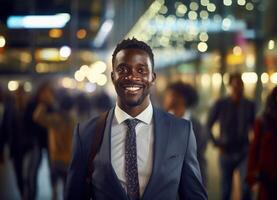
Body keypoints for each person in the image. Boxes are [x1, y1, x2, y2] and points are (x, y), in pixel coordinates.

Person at [65, 38, 207, 200]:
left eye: (141, 70)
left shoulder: (181, 131)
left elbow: (195, 195)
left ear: (153, 78)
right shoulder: (86, 133)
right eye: (123, 69)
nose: (132, 76)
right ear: (113, 76)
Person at [207, 72, 255, 200]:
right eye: (235, 85)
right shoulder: (221, 104)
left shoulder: (250, 105)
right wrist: (216, 143)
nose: (238, 88)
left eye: (240, 85)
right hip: (226, 151)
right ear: (230, 87)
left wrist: (254, 148)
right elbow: (208, 125)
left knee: (246, 188)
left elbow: (255, 127)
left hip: (244, 151)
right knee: (226, 189)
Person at [163, 81, 208, 186]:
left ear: (179, 98)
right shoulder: (161, 122)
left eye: (169, 95)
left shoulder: (197, 127)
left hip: (190, 183)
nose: (165, 99)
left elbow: (199, 158)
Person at [33, 88, 75, 200]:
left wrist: (45, 103)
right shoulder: (74, 120)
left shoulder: (55, 119)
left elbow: (37, 117)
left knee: (54, 190)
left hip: (55, 159)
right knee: (68, 190)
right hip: (69, 160)